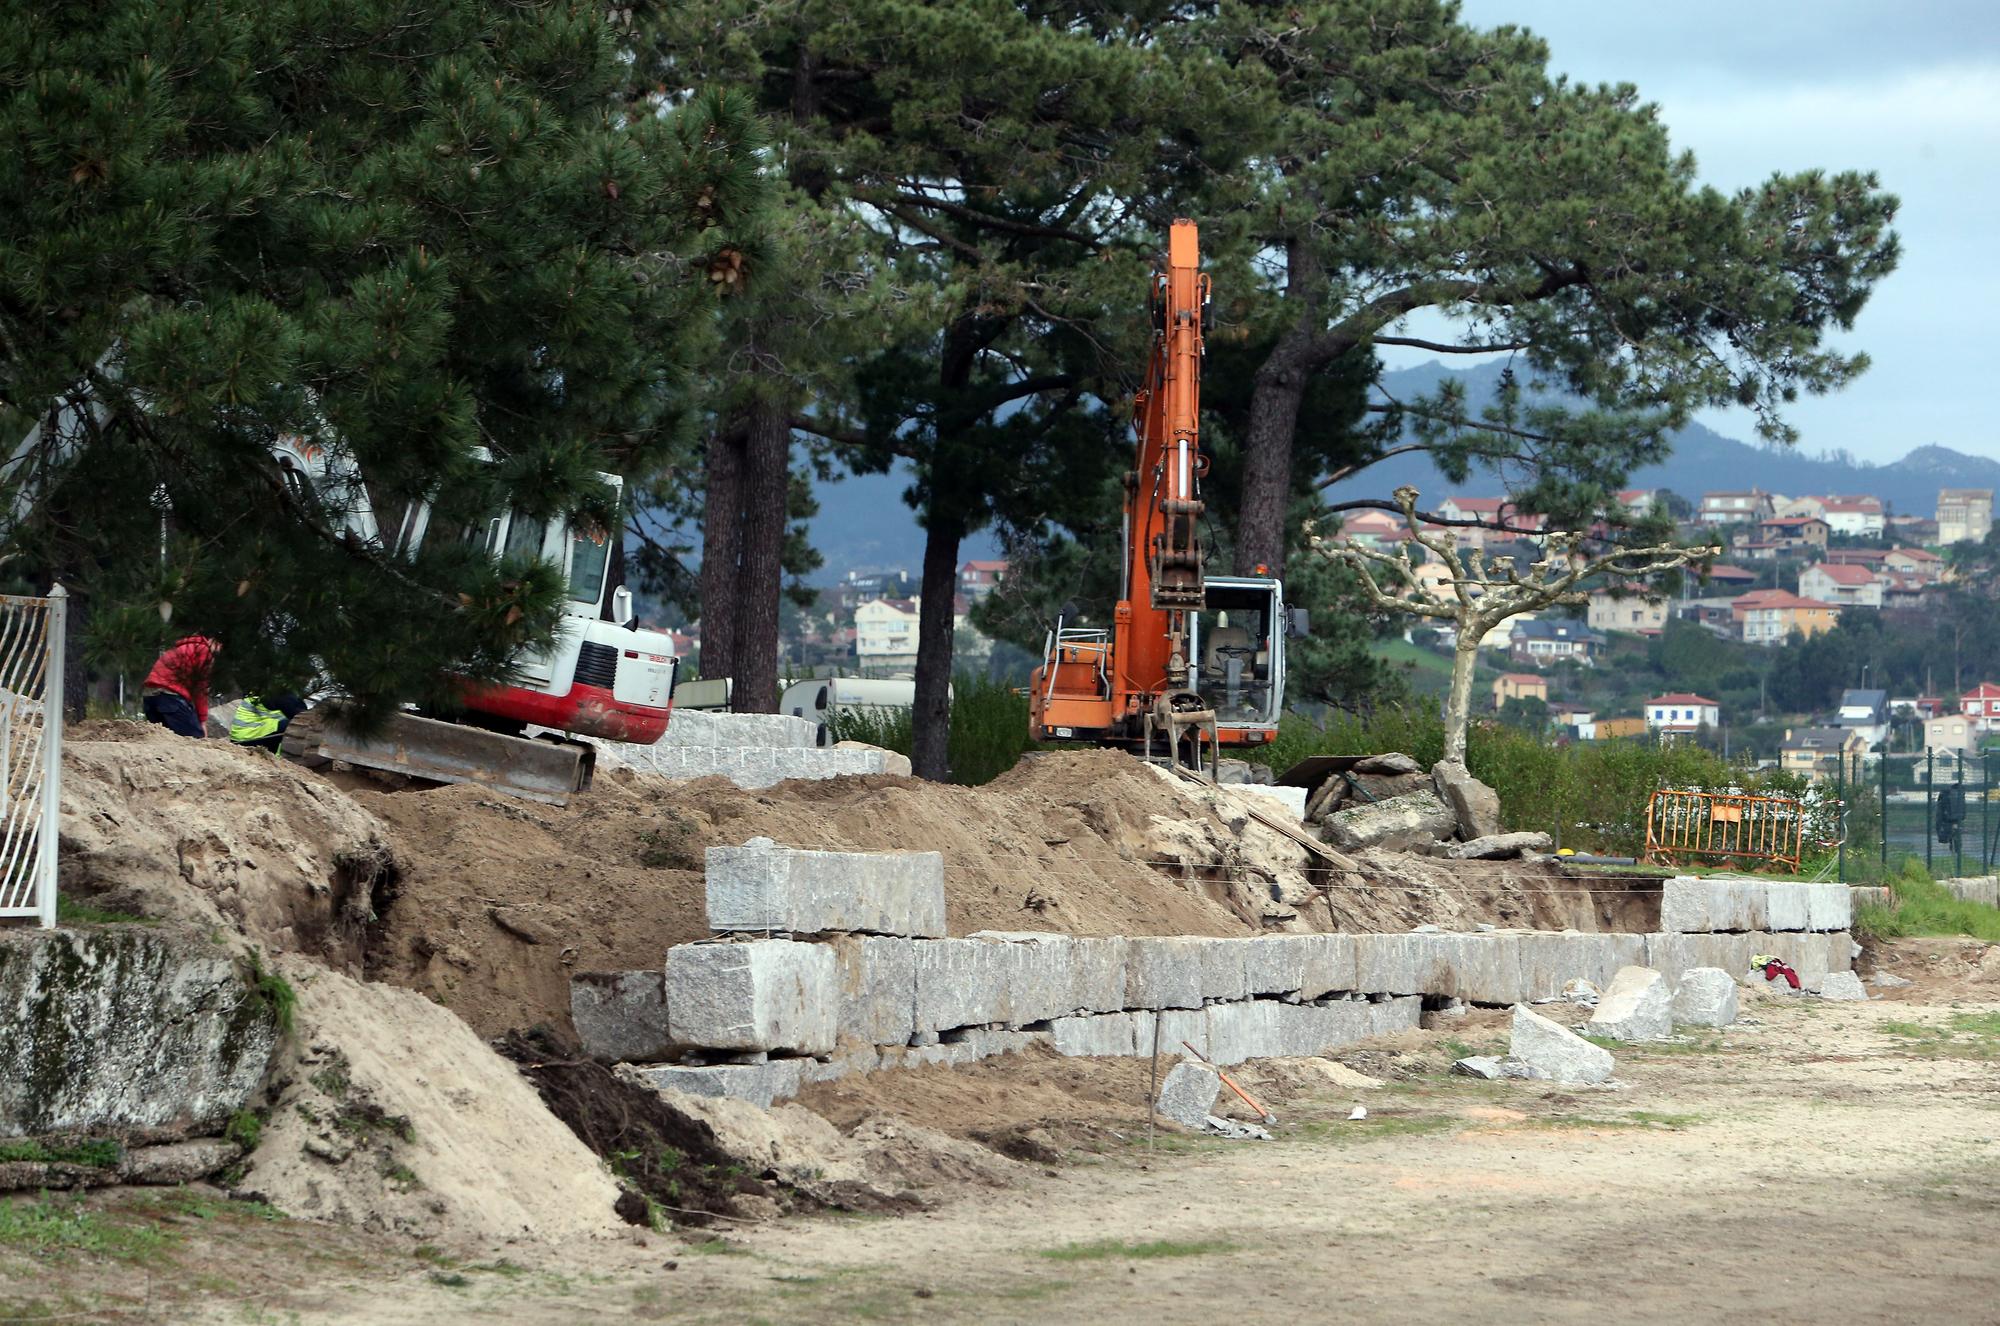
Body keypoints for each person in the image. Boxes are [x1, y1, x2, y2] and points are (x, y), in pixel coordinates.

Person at [141, 635, 220, 738]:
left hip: (149, 699)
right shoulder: (203, 651)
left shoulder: (179, 649)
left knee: (166, 739)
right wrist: (202, 721)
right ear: (212, 640)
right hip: (169, 698)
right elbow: (200, 688)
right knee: (195, 738)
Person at [228, 693, 307, 753]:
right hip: (249, 740)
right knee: (296, 725)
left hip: (243, 737)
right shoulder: (279, 695)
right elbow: (302, 716)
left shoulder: (267, 688)